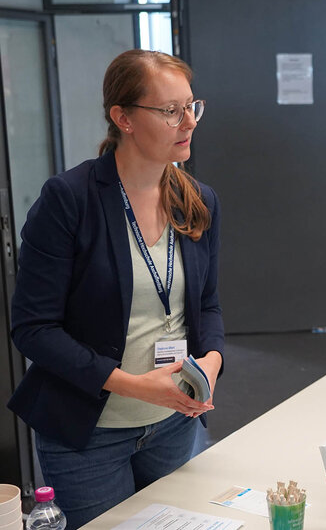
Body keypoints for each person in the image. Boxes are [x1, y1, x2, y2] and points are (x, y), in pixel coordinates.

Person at [7, 50, 224, 529]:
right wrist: (131, 385)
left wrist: (211, 361)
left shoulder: (197, 199)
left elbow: (206, 305)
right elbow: (33, 328)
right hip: (90, 435)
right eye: (170, 110)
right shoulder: (70, 200)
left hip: (176, 424)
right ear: (122, 117)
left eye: (192, 106)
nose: (188, 121)